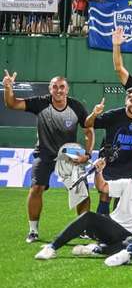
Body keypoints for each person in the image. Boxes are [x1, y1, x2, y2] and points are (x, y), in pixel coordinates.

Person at [3, 71, 93, 243]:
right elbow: (12, 104)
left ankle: (83, 228)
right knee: (36, 188)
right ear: (50, 89)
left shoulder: (77, 106)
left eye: (62, 87)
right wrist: (8, 88)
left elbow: (88, 130)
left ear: (67, 90)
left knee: (82, 190)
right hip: (44, 152)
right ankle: (33, 231)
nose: (58, 90)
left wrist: (87, 154)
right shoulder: (40, 103)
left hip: (69, 154)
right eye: (55, 87)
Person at [35, 155, 132, 260]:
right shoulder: (128, 184)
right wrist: (99, 172)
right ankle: (52, 247)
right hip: (111, 227)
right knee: (88, 216)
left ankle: (96, 249)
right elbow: (102, 187)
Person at [84, 87, 132, 215]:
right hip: (110, 164)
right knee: (105, 195)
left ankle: (117, 230)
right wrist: (95, 113)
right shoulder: (113, 115)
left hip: (131, 166)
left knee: (124, 200)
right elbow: (89, 124)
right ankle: (99, 229)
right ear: (126, 100)